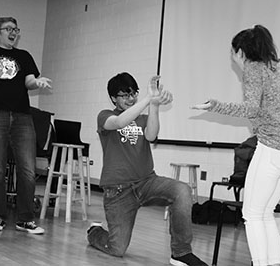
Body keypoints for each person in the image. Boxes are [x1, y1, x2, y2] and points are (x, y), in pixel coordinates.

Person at [191, 25, 280, 266]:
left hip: (274, 149)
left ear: (241, 51)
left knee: (252, 215)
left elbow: (251, 108)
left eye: (232, 52)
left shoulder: (253, 70)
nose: (232, 57)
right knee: (265, 214)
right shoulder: (272, 71)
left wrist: (215, 105)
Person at [87, 72, 208, 266]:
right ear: (113, 98)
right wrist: (147, 98)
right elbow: (119, 123)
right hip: (118, 191)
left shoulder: (141, 118)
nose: (130, 98)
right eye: (124, 95)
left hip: (146, 182)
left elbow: (151, 135)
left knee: (182, 190)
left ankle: (181, 253)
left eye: (133, 93)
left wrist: (154, 105)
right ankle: (94, 232)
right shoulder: (105, 116)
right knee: (117, 249)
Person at [0, 16, 51, 235]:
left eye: (16, 29)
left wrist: (38, 82)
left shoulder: (23, 56)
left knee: (27, 169)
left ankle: (25, 219)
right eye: (8, 29)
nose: (14, 32)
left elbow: (29, 81)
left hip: (22, 116)